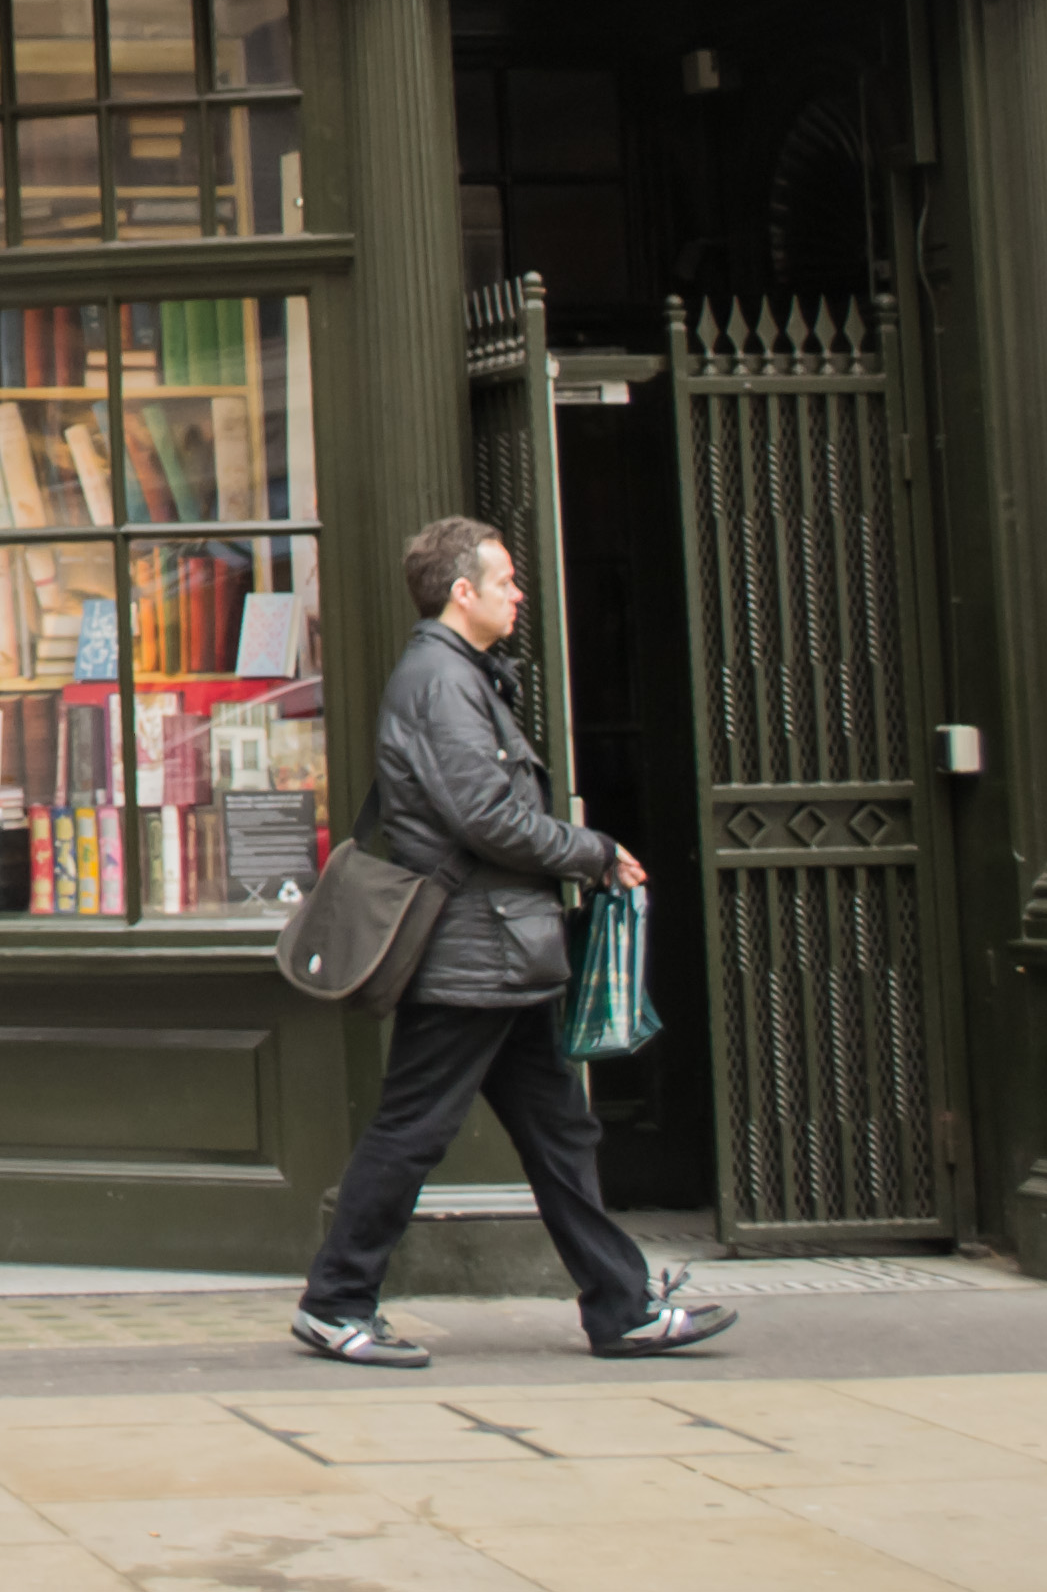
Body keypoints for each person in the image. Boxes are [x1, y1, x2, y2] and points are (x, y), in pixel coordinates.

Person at [293, 517, 738, 1369]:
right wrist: (595, 851)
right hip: (471, 956)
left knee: (561, 1132)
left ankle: (622, 1305)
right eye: (505, 581)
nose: (518, 594)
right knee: (411, 1130)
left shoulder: (461, 676)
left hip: (499, 954)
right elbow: (486, 817)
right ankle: (335, 1301)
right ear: (463, 592)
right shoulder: (439, 680)